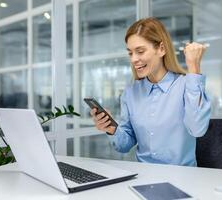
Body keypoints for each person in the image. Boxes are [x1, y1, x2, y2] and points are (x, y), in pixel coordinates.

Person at [90, 17, 211, 166]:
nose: (134, 59)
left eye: (140, 51)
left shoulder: (187, 85)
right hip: (143, 175)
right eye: (130, 53)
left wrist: (194, 68)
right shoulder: (130, 93)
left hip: (181, 178)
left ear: (161, 49)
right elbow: (124, 145)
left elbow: (197, 129)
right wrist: (112, 129)